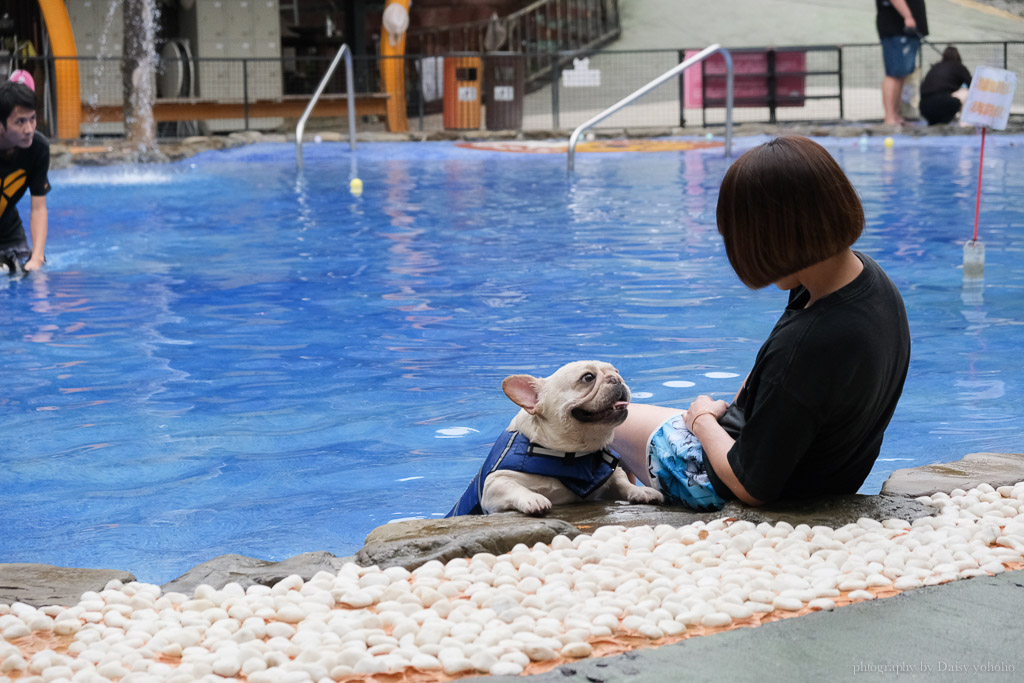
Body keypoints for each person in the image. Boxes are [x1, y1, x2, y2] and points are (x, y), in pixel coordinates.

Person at [612, 136, 911, 510]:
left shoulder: (807, 345)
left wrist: (702, 420)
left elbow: (752, 485)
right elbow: (772, 382)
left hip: (727, 482)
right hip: (823, 474)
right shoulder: (865, 280)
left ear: (774, 234)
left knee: (609, 421)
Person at [0, 79, 50, 274]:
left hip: (12, 238)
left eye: (32, 118)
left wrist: (37, 256)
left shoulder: (38, 148)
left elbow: (38, 207)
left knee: (34, 277)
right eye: (20, 121)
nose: (29, 129)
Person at [876, 0, 929, 125]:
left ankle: (895, 114)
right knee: (893, 74)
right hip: (897, 29)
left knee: (901, 74)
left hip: (908, 32)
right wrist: (908, 16)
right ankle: (889, 117)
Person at [919, 46, 972, 125]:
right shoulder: (959, 67)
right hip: (944, 103)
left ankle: (938, 122)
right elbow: (972, 85)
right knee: (966, 93)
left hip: (924, 106)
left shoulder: (935, 67)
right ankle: (965, 123)